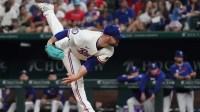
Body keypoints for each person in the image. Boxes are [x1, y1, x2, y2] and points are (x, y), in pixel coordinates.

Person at [36, 2, 124, 112]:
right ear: (107, 36)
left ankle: (48, 10)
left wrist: (76, 75)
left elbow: (90, 64)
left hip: (80, 54)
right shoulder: (86, 36)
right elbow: (66, 33)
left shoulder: (109, 50)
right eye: (116, 37)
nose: (118, 39)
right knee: (78, 84)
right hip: (69, 49)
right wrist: (49, 43)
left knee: (77, 78)